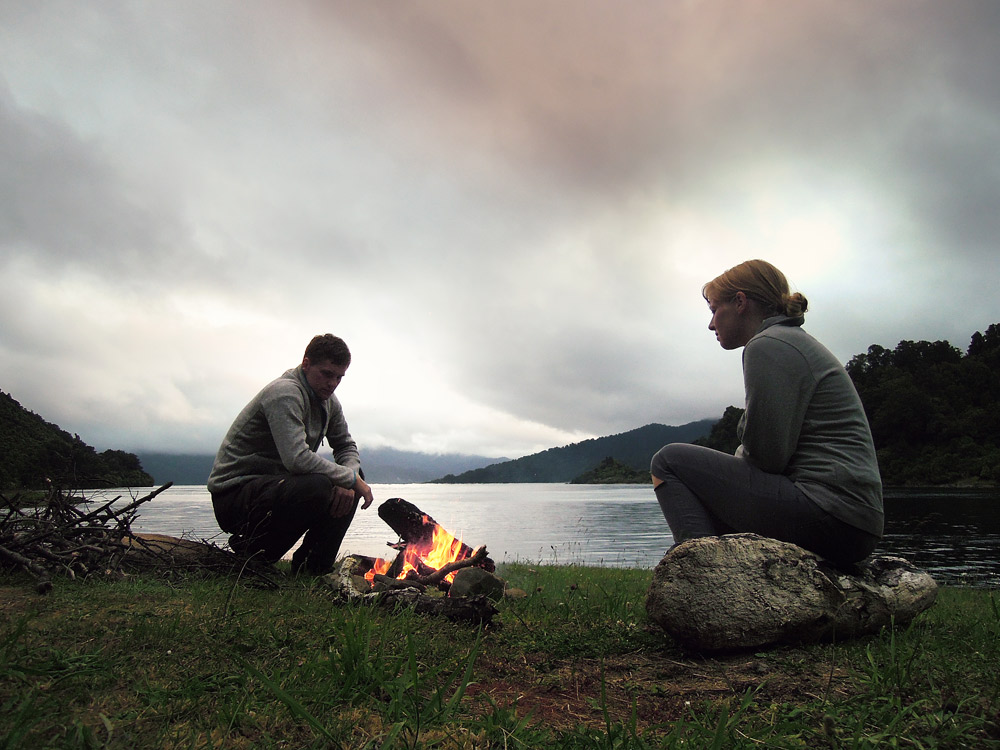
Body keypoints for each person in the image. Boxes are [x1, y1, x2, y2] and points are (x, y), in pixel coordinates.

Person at [650, 259, 883, 566]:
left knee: (668, 462)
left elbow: (767, 458)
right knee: (703, 500)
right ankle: (706, 563)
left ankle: (703, 573)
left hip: (830, 514)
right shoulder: (790, 342)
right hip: (852, 523)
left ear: (740, 302)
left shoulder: (768, 345)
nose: (710, 324)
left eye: (714, 310)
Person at [208, 333, 374, 575]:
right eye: (327, 374)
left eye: (339, 377)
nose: (332, 383)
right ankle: (253, 556)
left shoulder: (329, 401)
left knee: (352, 476)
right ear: (306, 363)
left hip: (275, 487)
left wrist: (350, 477)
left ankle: (312, 568)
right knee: (319, 486)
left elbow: (346, 446)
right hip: (234, 495)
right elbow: (296, 459)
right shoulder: (284, 393)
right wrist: (348, 479)